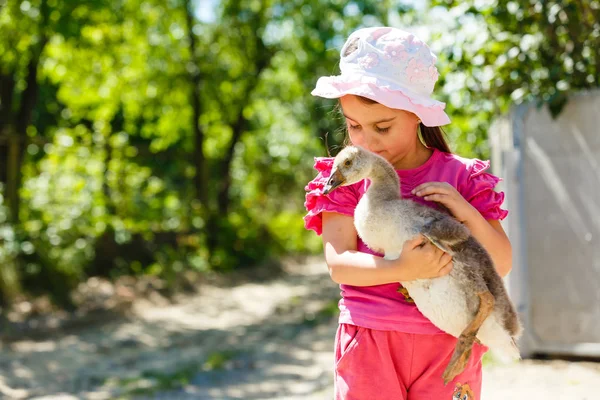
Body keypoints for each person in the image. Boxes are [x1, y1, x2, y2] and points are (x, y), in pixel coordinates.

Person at [303, 27, 512, 400]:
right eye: (354, 127)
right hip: (371, 341)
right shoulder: (345, 177)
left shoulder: (462, 178)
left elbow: (502, 261)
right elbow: (339, 264)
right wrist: (404, 270)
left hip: (449, 343)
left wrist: (466, 212)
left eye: (383, 127)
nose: (367, 141)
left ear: (418, 115)